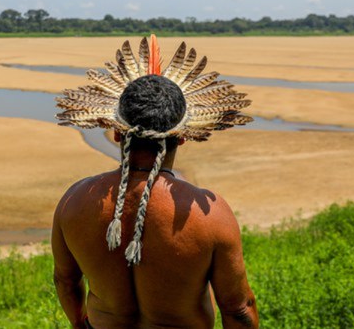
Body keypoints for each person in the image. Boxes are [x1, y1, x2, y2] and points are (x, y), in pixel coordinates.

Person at [53, 35, 258, 328]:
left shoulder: (74, 202)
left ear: (117, 133)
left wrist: (79, 323)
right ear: (184, 135)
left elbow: (65, 281)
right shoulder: (211, 216)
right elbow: (239, 309)